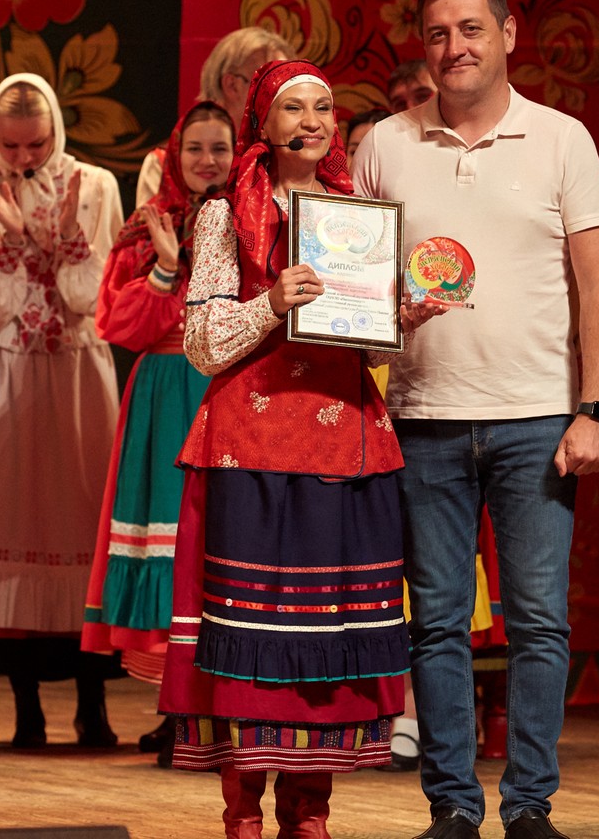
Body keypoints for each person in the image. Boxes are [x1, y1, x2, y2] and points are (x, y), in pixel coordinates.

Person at [353, 0, 599, 839]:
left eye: (471, 29)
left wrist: (594, 409)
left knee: (539, 622)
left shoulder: (562, 140)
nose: (455, 47)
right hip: (423, 417)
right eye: (438, 33)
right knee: (434, 624)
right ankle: (453, 808)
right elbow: (356, 292)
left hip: (538, 418)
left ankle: (531, 806)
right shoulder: (384, 146)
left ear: (507, 34)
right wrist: (382, 323)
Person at [159, 59, 414, 839]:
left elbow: (371, 349)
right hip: (253, 445)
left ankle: (310, 814)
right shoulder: (225, 213)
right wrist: (271, 302)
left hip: (344, 446)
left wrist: (402, 319)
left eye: (324, 108)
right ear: (262, 125)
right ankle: (242, 814)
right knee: (250, 638)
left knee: (330, 636)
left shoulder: (355, 216)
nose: (312, 121)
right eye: (293, 108)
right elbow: (202, 344)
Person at [0, 73, 125, 747]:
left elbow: (95, 296)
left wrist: (65, 241)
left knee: (80, 521)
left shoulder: (96, 187)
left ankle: (92, 702)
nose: (24, 158)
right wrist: (14, 242)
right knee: (11, 518)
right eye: (12, 145)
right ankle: (26, 707)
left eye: (37, 145)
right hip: (1, 369)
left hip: (75, 369)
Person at [80, 101, 234, 765]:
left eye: (220, 148)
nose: (207, 161)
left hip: (227, 389)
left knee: (220, 546)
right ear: (174, 157)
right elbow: (118, 324)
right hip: (166, 391)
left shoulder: (257, 222)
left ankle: (220, 703)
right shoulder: (145, 230)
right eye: (194, 149)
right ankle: (176, 706)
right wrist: (168, 267)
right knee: (169, 544)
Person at [134, 27, 292, 207]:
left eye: (288, 85)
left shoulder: (291, 160)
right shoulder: (166, 165)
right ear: (231, 85)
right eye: (272, 84)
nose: (286, 95)